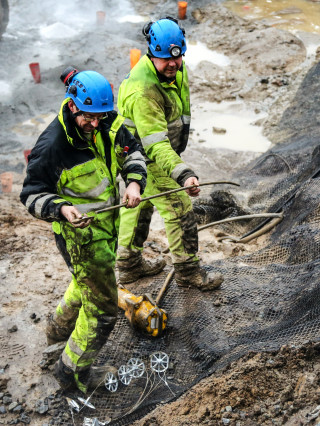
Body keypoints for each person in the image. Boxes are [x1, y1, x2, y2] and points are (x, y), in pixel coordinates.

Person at [20, 67, 147, 393]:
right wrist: (61, 208)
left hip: (107, 228)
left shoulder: (107, 122)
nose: (95, 125)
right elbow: (31, 195)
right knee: (103, 312)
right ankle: (71, 372)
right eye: (88, 118)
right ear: (72, 106)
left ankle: (57, 331)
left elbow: (132, 151)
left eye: (100, 117)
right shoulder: (52, 147)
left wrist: (134, 181)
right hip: (79, 238)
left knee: (83, 283)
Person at [116, 17, 224, 290]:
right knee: (179, 209)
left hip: (153, 150)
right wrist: (183, 174)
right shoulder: (144, 91)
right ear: (151, 53)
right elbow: (155, 144)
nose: (173, 65)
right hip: (145, 156)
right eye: (165, 60)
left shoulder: (174, 67)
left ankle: (128, 266)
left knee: (138, 205)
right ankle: (188, 272)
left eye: (177, 58)